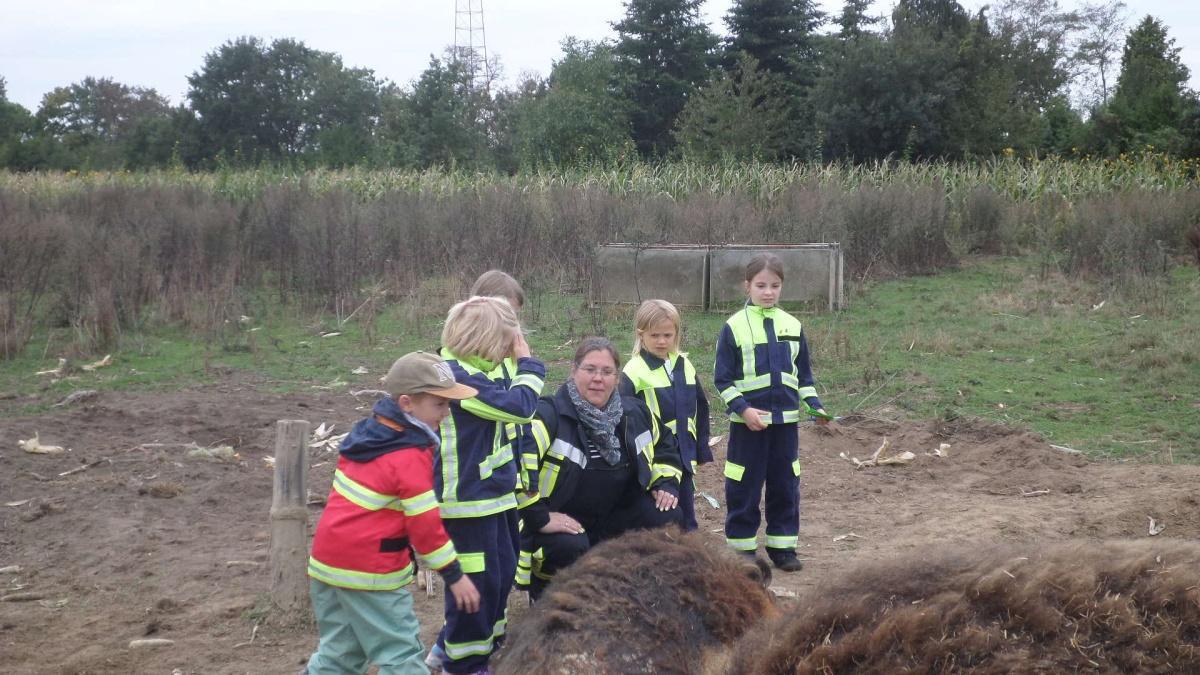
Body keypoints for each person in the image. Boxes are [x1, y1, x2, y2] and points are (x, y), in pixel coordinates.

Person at [304, 352, 482, 675]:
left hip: (327, 565)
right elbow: (425, 527)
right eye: (439, 404)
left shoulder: (367, 435)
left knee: (338, 658)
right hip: (370, 572)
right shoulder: (409, 454)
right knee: (401, 658)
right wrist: (454, 576)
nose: (446, 413)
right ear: (406, 403)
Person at [517, 337, 684, 599]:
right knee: (569, 546)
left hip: (613, 515)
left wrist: (666, 483)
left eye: (607, 372)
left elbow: (665, 444)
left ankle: (639, 593)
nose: (598, 378)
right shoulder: (548, 415)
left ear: (617, 378)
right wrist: (540, 516)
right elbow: (517, 466)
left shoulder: (635, 413)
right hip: (564, 520)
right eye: (590, 369)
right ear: (573, 372)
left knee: (666, 516)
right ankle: (551, 598)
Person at [433, 296, 546, 675]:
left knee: (500, 576)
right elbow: (519, 406)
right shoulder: (454, 378)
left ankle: (484, 649)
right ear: (483, 340)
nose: (508, 351)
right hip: (466, 506)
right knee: (475, 587)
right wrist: (528, 364)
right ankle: (464, 663)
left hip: (496, 499)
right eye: (505, 342)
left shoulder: (478, 370)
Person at [714, 253, 831, 572]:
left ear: (782, 287)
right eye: (761, 285)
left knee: (785, 485)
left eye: (775, 286)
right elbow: (722, 379)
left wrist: (815, 406)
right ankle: (742, 551)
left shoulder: (793, 325)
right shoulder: (734, 327)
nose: (768, 292)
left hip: (785, 427)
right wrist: (744, 409)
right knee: (743, 486)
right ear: (747, 286)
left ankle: (783, 547)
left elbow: (803, 376)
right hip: (747, 426)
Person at [619, 299, 712, 531]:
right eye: (655, 335)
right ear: (641, 335)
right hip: (654, 459)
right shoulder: (633, 371)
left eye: (667, 335)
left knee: (688, 514)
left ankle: (690, 551)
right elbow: (624, 420)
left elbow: (700, 408)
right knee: (663, 513)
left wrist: (700, 448)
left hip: (684, 456)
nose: (662, 341)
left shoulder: (685, 365)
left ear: (676, 335)